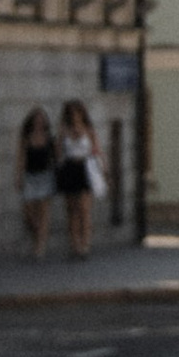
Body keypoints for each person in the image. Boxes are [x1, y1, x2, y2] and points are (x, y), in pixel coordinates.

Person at [54, 98, 104, 259]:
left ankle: (85, 243)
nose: (74, 116)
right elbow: (58, 152)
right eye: (71, 113)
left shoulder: (88, 130)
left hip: (85, 167)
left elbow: (97, 150)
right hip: (70, 167)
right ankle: (74, 244)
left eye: (77, 112)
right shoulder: (64, 130)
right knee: (71, 209)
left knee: (84, 208)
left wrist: (103, 169)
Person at [18, 107, 58, 260]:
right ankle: (36, 236)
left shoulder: (49, 138)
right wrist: (19, 176)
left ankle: (40, 247)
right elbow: (21, 158)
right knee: (28, 212)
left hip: (45, 176)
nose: (39, 123)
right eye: (36, 120)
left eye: (41, 120)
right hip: (30, 176)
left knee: (44, 213)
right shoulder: (26, 138)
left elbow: (56, 157)